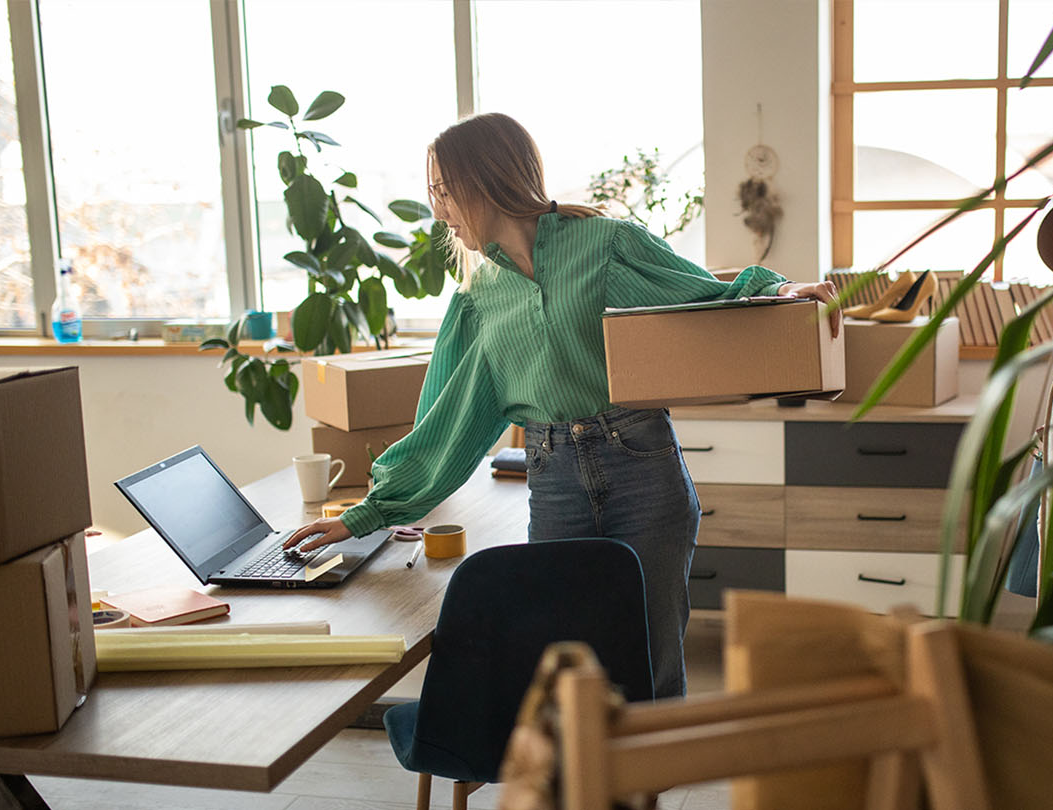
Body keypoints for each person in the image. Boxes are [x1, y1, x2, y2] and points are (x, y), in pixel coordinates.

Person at [286, 112, 839, 698]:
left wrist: (780, 292)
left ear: (486, 180)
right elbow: (446, 426)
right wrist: (364, 515)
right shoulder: (478, 300)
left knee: (650, 670)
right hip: (554, 486)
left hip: (643, 472)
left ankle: (646, 782)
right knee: (569, 679)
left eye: (444, 192)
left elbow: (701, 293)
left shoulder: (605, 246)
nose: (439, 211)